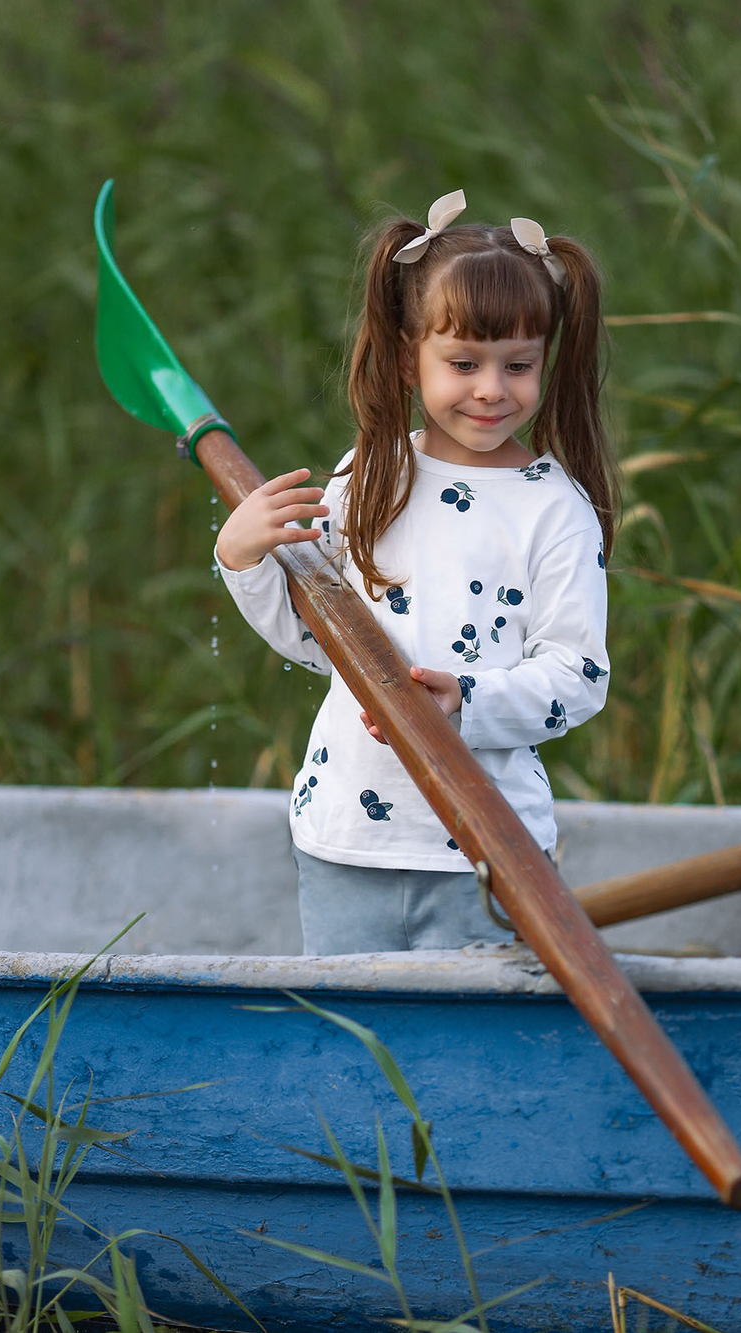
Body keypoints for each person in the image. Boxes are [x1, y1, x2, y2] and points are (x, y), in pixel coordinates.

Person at [214, 189, 618, 955]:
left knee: (465, 1062)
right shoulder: (370, 475)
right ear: (408, 359)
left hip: (488, 851)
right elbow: (318, 637)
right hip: (347, 840)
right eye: (464, 363)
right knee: (352, 1053)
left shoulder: (553, 510)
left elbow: (578, 674)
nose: (493, 389)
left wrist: (466, 698)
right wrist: (243, 557)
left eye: (517, 364)